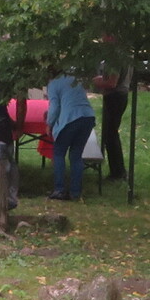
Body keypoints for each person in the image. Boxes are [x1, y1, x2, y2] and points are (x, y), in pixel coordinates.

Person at [44, 66, 95, 200]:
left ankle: (59, 189)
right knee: (76, 155)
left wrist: (49, 124)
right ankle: (75, 192)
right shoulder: (74, 79)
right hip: (88, 117)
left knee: (59, 153)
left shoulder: (53, 84)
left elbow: (54, 107)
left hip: (70, 119)